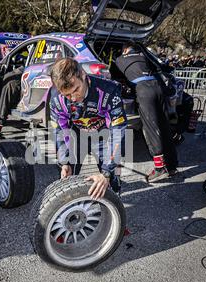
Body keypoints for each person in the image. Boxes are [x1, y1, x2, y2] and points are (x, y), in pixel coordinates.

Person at [49, 58, 127, 200]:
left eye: (76, 89)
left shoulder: (109, 91)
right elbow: (59, 130)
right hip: (76, 135)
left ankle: (117, 210)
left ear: (83, 74)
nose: (73, 98)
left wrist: (107, 172)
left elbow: (118, 131)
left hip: (104, 135)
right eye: (67, 94)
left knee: (112, 176)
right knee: (66, 177)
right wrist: (64, 161)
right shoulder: (56, 98)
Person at [116, 42, 178, 182]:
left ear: (125, 50)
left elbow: (115, 76)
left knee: (151, 130)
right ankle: (172, 165)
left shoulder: (119, 59)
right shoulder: (145, 56)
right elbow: (161, 68)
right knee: (164, 127)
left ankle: (160, 168)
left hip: (144, 91)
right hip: (159, 88)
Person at [0, 65, 24, 140]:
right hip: (16, 77)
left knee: (1, 104)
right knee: (2, 105)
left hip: (16, 76)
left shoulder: (10, 76)